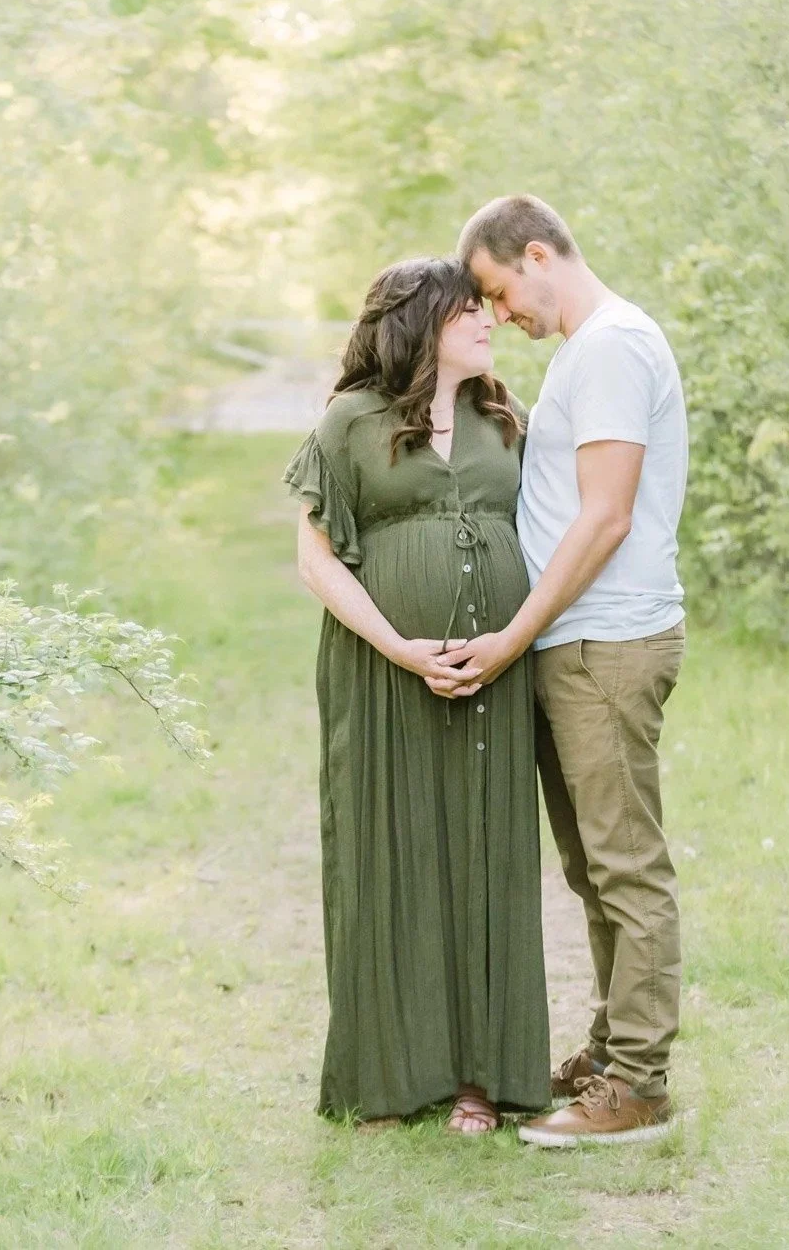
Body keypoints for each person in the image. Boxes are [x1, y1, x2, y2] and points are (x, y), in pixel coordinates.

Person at [440, 195, 689, 1147]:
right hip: (572, 645)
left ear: (538, 254)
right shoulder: (586, 355)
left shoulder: (615, 345)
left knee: (626, 867)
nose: (502, 315)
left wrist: (513, 635)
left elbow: (606, 515)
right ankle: (611, 1052)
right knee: (592, 870)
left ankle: (641, 1085)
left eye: (501, 292)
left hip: (605, 644)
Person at [284, 256, 549, 1135]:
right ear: (420, 322)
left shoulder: (503, 417)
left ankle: (482, 1076)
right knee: (387, 854)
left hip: (497, 676)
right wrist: (399, 646)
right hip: (382, 670)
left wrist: (514, 639)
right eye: (469, 310)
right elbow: (316, 561)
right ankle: (389, 1077)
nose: (488, 321)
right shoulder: (349, 422)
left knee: (485, 854)